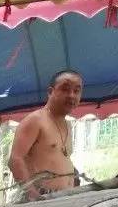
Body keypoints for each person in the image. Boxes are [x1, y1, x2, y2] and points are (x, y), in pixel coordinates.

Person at [9, 71, 83, 200]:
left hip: (65, 198)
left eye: (76, 91)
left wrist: (73, 176)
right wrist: (32, 195)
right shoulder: (36, 120)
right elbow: (15, 159)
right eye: (65, 89)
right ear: (50, 92)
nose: (71, 95)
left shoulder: (67, 124)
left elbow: (57, 157)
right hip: (42, 200)